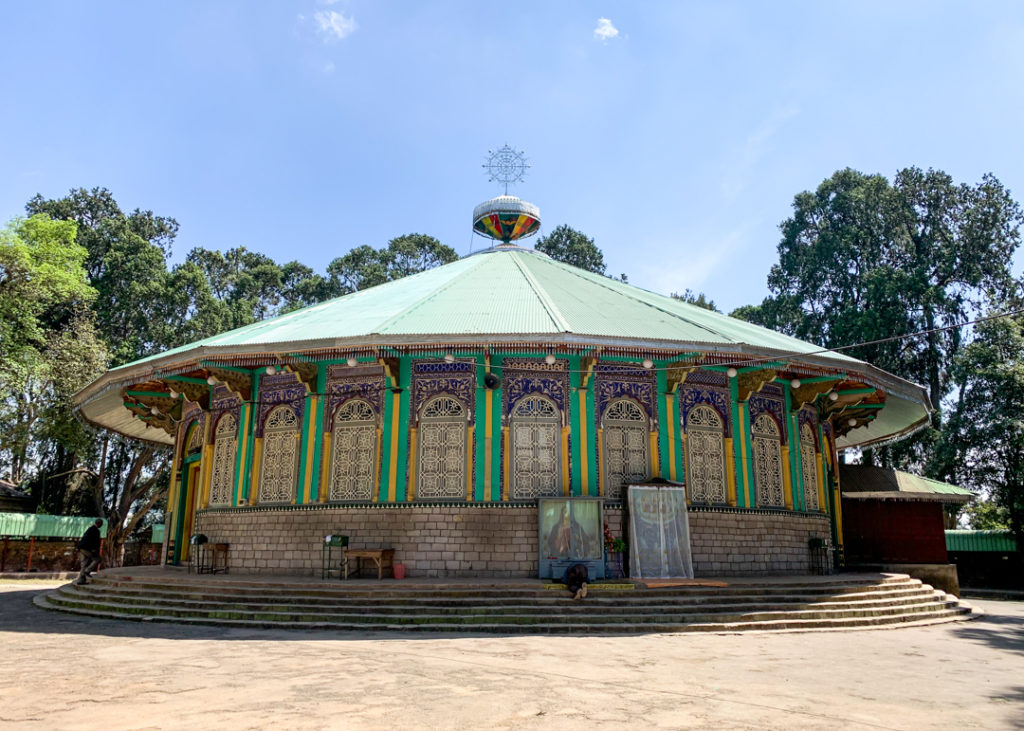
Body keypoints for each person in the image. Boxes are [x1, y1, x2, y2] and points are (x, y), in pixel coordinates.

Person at [76, 518, 103, 585]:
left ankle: (81, 580)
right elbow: (96, 542)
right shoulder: (96, 530)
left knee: (84, 564)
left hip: (81, 548)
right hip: (87, 549)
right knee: (98, 559)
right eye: (101, 524)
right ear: (99, 524)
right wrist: (94, 550)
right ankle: (87, 571)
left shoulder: (89, 529)